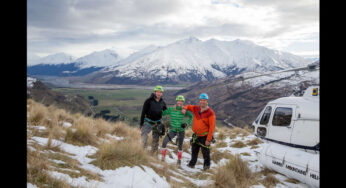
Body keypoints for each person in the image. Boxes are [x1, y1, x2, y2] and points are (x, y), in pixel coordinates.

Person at [182, 93, 215, 170]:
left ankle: (206, 168)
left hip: (205, 136)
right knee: (194, 151)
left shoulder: (210, 113)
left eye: (204, 100)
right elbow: (188, 106)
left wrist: (208, 139)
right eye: (201, 100)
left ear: (207, 101)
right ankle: (192, 164)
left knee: (206, 153)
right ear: (199, 101)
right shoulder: (196, 108)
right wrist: (184, 108)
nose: (202, 102)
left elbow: (212, 127)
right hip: (196, 135)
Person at [161, 95, 193, 165]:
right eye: (179, 101)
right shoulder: (171, 109)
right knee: (164, 142)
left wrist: (186, 124)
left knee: (180, 146)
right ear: (176, 101)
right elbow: (162, 113)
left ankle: (179, 161)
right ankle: (163, 158)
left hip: (181, 130)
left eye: (181, 101)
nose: (180, 102)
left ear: (183, 102)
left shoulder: (184, 110)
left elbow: (191, 116)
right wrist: (159, 107)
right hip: (173, 130)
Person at [140, 85, 167, 154]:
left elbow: (166, 111)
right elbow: (143, 112)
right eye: (157, 92)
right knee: (144, 135)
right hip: (148, 121)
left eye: (160, 92)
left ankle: (154, 153)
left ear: (162, 93)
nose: (159, 93)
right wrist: (141, 124)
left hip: (157, 123)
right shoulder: (148, 101)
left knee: (156, 139)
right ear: (155, 92)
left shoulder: (162, 102)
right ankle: (143, 151)